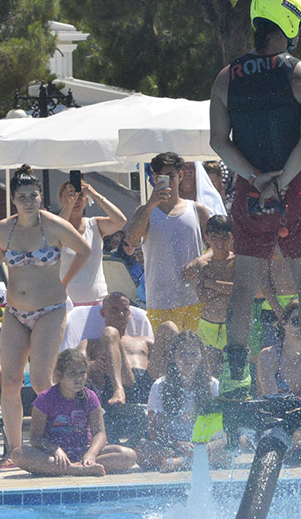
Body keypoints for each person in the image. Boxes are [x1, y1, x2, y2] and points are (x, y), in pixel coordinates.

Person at [208, 0, 301, 400]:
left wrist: (256, 178)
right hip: (295, 186)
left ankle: (235, 375)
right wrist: (281, 183)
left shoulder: (226, 78)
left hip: (250, 188)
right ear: (290, 21)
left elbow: (218, 142)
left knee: (245, 284)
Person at [0, 165, 91, 469]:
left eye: (34, 195)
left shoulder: (54, 225)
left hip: (50, 310)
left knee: (43, 378)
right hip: (15, 312)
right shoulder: (4, 230)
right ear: (13, 200)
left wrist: (64, 282)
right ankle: (15, 452)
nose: (29, 201)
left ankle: (54, 443)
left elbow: (84, 250)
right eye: (23, 197)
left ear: (40, 196)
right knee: (10, 381)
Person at [11, 348, 137, 476]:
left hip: (83, 451)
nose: (79, 378)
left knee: (128, 455)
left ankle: (77, 466)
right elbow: (35, 438)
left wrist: (91, 454)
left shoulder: (90, 397)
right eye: (72, 373)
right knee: (18, 454)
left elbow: (100, 433)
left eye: (82, 373)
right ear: (60, 376)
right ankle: (74, 469)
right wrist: (56, 450)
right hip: (54, 456)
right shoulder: (45, 398)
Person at [125, 153, 210, 331]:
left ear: (180, 176)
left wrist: (200, 260)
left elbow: (215, 247)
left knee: (194, 353)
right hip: (160, 299)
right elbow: (131, 241)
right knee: (164, 355)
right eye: (160, 176)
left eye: (171, 175)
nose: (166, 181)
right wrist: (151, 204)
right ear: (154, 178)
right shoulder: (144, 211)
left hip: (195, 297)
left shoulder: (197, 209)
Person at [136, 331, 226, 471]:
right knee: (142, 450)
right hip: (173, 447)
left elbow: (219, 427)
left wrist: (205, 446)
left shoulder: (212, 385)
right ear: (174, 357)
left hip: (203, 446)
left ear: (201, 357)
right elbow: (154, 430)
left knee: (235, 442)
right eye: (183, 354)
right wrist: (178, 444)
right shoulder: (160, 386)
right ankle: (190, 460)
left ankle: (182, 462)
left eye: (193, 354)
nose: (188, 359)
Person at [62, 292, 158, 406]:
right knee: (110, 332)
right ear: (103, 313)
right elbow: (72, 366)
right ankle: (119, 389)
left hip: (149, 382)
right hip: (122, 383)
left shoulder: (145, 341)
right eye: (114, 310)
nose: (121, 314)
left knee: (168, 327)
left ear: (129, 314)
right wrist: (94, 365)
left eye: (125, 310)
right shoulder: (91, 343)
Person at [57, 179, 127, 306]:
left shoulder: (94, 225)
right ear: (61, 199)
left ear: (86, 199)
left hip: (97, 300)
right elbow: (57, 231)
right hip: (66, 301)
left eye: (79, 196)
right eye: (70, 195)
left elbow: (120, 220)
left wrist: (95, 194)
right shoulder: (54, 226)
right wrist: (69, 205)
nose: (75, 200)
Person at [195, 215, 236, 373]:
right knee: (209, 374)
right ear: (207, 238)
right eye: (215, 238)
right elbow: (202, 296)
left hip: (230, 327)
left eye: (224, 238)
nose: (220, 243)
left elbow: (239, 291)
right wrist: (225, 289)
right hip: (207, 326)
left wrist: (211, 284)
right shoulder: (202, 265)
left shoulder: (237, 261)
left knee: (233, 373)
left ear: (231, 237)